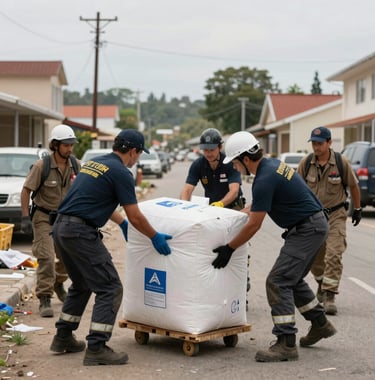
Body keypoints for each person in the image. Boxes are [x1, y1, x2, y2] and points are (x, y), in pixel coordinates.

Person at [49, 129, 173, 366]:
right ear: (133, 151)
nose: (137, 159)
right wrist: (154, 236)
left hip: (61, 229)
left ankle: (62, 337)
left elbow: (96, 200)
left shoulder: (96, 163)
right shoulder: (121, 172)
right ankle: (97, 347)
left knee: (82, 284)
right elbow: (136, 215)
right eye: (139, 154)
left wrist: (121, 223)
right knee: (110, 288)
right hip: (80, 233)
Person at [211, 131, 336, 362]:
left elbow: (254, 225)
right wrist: (231, 215)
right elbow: (256, 207)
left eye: (237, 163)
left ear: (246, 159)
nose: (236, 168)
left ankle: (285, 343)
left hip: (307, 229)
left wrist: (229, 248)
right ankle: (320, 324)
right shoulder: (271, 166)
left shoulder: (264, 178)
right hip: (314, 225)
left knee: (278, 281)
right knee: (293, 279)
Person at [297, 126, 361, 315]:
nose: (316, 147)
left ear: (329, 143)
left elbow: (354, 186)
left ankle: (330, 295)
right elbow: (297, 187)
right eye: (314, 144)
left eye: (320, 143)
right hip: (313, 217)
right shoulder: (306, 162)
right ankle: (321, 284)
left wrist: (357, 209)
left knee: (334, 254)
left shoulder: (341, 162)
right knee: (316, 258)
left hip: (335, 215)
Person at [21, 124, 80, 318]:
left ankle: (57, 282)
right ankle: (45, 297)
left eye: (72, 144)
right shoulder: (42, 166)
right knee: (46, 257)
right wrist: (24, 218)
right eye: (66, 145)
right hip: (43, 217)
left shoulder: (76, 165)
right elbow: (26, 190)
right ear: (55, 145)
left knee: (67, 256)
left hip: (65, 218)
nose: (70, 148)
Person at [180, 128, 244, 210]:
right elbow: (187, 189)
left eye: (212, 150)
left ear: (220, 147)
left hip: (233, 206)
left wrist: (221, 203)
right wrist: (183, 205)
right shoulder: (197, 165)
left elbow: (234, 191)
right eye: (205, 150)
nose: (209, 154)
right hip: (211, 207)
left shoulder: (230, 163)